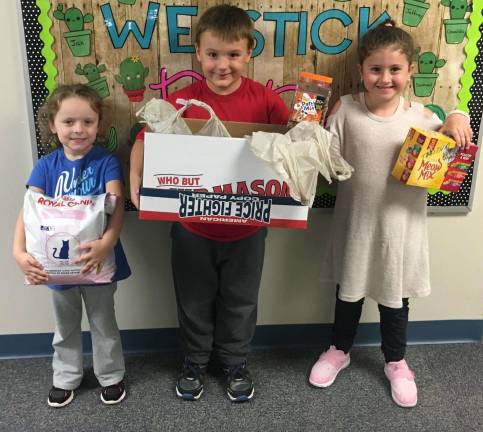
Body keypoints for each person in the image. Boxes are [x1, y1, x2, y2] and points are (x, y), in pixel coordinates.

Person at [308, 21, 473, 408]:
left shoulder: (422, 117)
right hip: (356, 224)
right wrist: (310, 130)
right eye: (376, 69)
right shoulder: (346, 109)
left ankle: (396, 360)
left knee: (394, 298)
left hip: (400, 229)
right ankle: (339, 349)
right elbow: (325, 161)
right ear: (362, 70)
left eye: (395, 70)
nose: (385, 78)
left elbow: (453, 132)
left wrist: (458, 114)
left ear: (411, 71)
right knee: (347, 292)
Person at [130, 5, 289, 402]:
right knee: (193, 297)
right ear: (198, 53)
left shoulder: (266, 102)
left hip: (249, 225)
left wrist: (311, 130)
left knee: (241, 298)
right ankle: (195, 361)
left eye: (233, 55)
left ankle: (235, 360)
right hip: (191, 226)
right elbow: (145, 139)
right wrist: (135, 178)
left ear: (248, 53)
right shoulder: (182, 101)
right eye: (213, 54)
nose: (223, 64)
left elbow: (294, 143)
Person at [12, 84, 131, 408]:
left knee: (103, 322)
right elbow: (29, 209)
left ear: (99, 124)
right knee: (64, 325)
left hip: (97, 262)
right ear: (53, 125)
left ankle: (111, 375)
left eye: (87, 122)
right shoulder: (46, 166)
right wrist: (18, 252)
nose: (78, 129)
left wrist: (107, 243)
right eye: (68, 122)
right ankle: (65, 376)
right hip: (57, 265)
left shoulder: (106, 162)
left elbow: (117, 205)